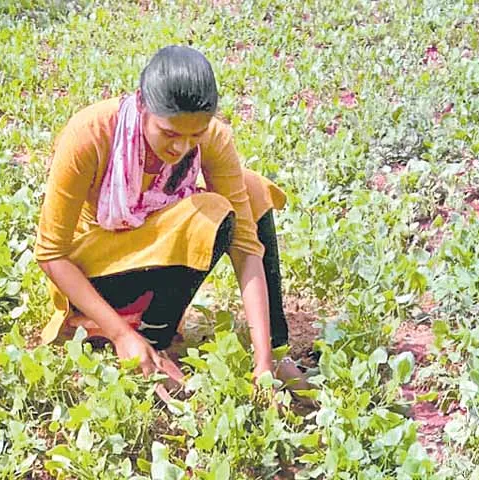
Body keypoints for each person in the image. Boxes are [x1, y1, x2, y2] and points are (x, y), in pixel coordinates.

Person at [34, 45, 308, 390]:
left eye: (195, 135)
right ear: (141, 104)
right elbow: (51, 255)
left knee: (251, 189)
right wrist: (122, 337)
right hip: (94, 278)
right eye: (170, 133)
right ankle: (148, 339)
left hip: (154, 255)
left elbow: (246, 246)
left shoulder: (213, 138)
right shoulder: (90, 134)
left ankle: (278, 353)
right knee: (212, 211)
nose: (181, 148)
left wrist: (264, 359)